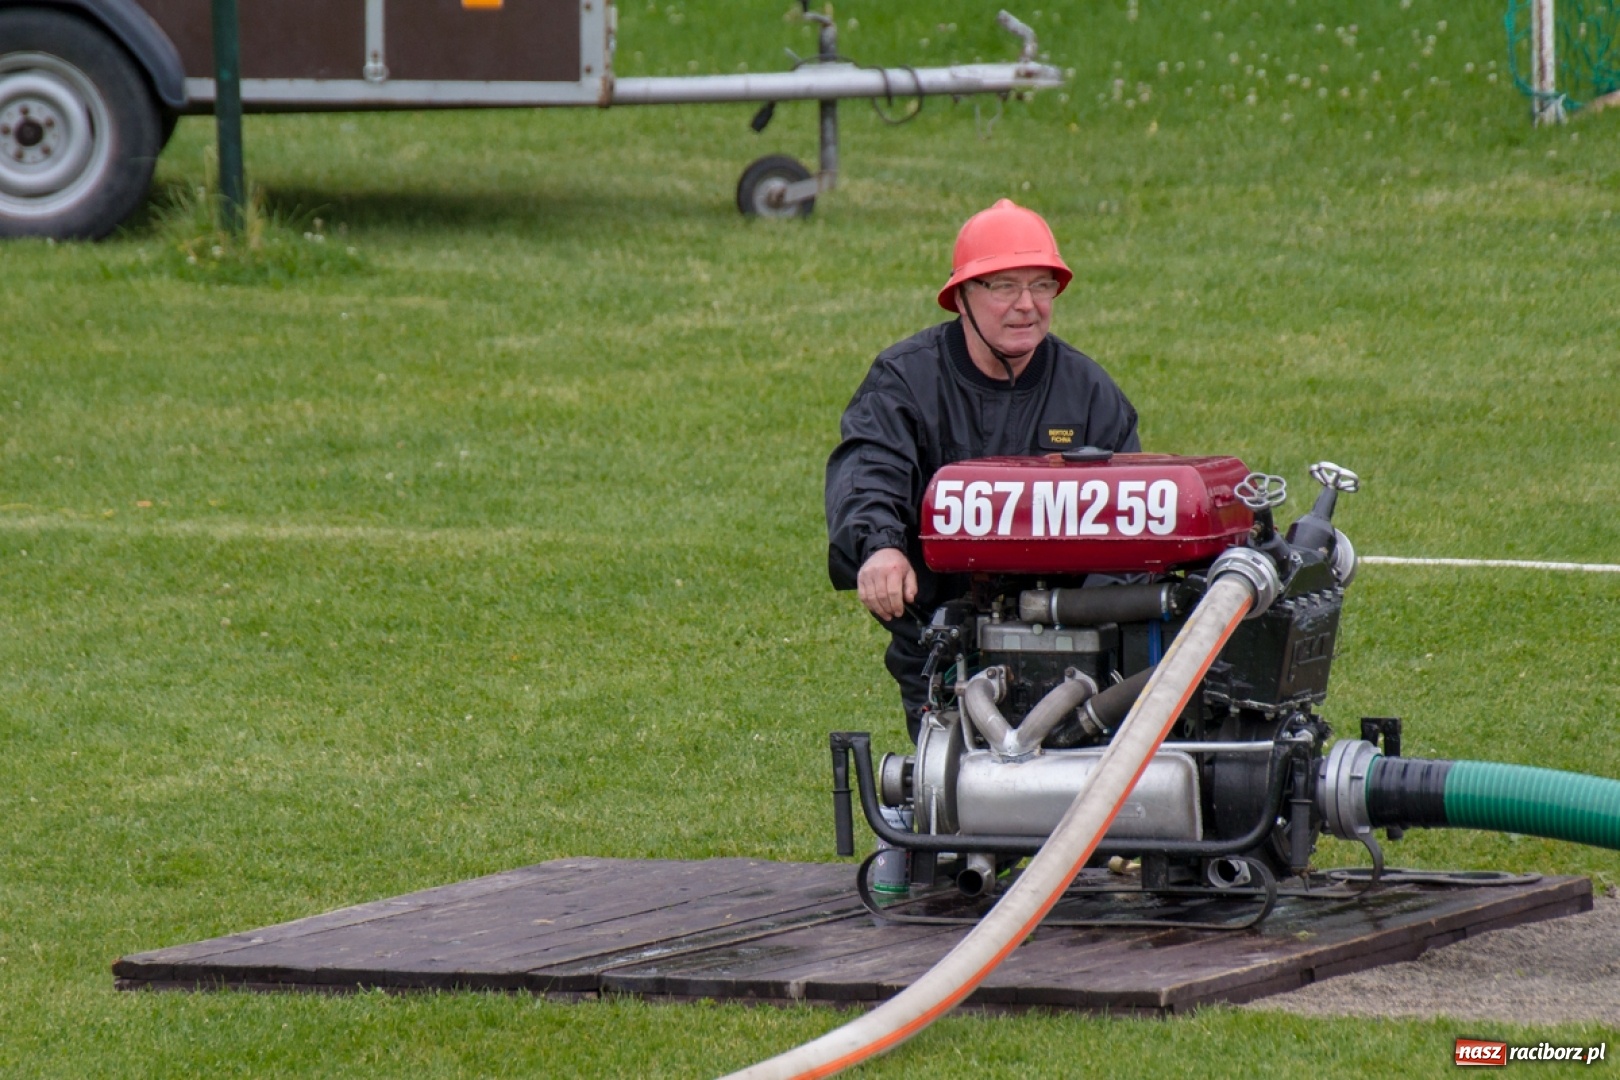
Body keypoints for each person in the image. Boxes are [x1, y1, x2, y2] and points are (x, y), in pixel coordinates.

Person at [824, 199, 1141, 742]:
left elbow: (1131, 518)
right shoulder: (906, 380)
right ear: (962, 298)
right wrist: (879, 547)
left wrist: (1090, 622)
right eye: (1004, 287)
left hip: (1074, 648)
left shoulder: (1088, 393)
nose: (1027, 305)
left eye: (1042, 286)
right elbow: (869, 469)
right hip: (941, 641)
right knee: (952, 796)